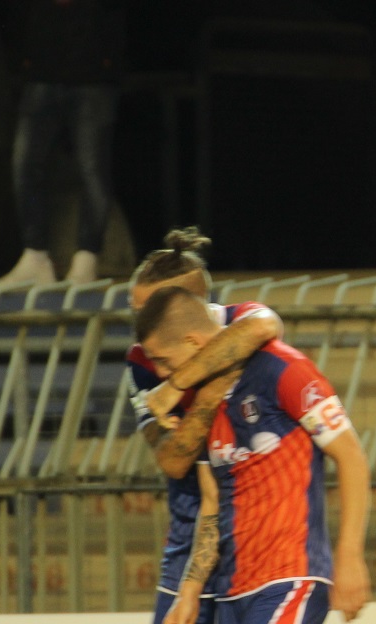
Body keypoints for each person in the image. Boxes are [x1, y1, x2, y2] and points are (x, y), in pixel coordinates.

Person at [136, 286, 372, 624]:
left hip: (290, 578)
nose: (161, 373)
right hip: (233, 592)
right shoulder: (203, 403)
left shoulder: (282, 368)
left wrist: (349, 555)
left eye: (162, 360)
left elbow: (351, 456)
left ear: (193, 342)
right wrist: (189, 592)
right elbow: (212, 501)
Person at [127, 227, 285, 624]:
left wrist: (178, 385)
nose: (139, 323)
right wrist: (213, 387)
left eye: (148, 309)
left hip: (258, 545)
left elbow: (265, 326)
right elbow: (172, 460)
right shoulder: (144, 361)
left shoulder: (243, 320)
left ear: (187, 305)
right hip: (188, 547)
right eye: (135, 310)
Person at [0, 0, 124, 285]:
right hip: (43, 70)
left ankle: (86, 258)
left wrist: (108, 58)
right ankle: (35, 255)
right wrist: (25, 57)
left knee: (92, 168)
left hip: (93, 73)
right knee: (25, 163)